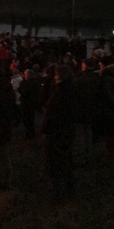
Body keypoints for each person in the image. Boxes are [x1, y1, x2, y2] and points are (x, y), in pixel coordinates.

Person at [43, 65, 77, 203]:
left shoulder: (59, 92)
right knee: (66, 157)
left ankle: (58, 193)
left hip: (56, 131)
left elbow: (52, 112)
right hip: (67, 128)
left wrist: (46, 128)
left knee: (56, 161)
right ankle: (69, 185)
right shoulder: (72, 89)